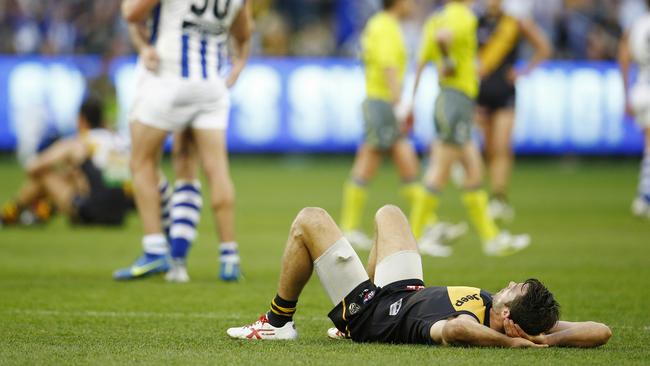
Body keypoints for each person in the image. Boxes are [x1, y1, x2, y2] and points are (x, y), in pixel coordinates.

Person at [226, 205, 612, 348]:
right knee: (388, 214)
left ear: (508, 319)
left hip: (373, 314)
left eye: (515, 291)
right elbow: (601, 330)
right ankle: (345, 312)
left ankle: (278, 322)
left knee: (309, 220)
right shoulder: (527, 323)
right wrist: (544, 338)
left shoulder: (470, 325)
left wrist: (512, 345)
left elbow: (457, 331)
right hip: (404, 290)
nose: (509, 284)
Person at [113, 0, 252, 281]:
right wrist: (238, 65)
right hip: (211, 86)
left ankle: (154, 248)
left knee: (141, 162)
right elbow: (244, 32)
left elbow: (131, 12)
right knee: (215, 170)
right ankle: (229, 258)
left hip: (169, 80)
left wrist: (143, 46)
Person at [408, 0, 529, 257]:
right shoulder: (463, 16)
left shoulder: (435, 18)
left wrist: (410, 102)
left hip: (447, 99)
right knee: (439, 172)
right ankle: (414, 240)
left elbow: (420, 61)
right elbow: (443, 39)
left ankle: (492, 239)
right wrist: (450, 59)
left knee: (474, 172)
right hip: (457, 100)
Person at [339, 0, 424, 250]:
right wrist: (400, 104)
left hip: (380, 101)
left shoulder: (380, 24)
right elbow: (388, 67)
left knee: (401, 161)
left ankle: (426, 222)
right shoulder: (386, 26)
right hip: (383, 102)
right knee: (374, 162)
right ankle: (350, 227)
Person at [0, 96, 132, 227]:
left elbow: (32, 167)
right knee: (77, 175)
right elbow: (116, 179)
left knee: (45, 175)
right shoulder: (116, 141)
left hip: (92, 211)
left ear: (81, 119)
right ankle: (39, 212)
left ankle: (9, 214)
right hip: (119, 214)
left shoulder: (78, 142)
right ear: (102, 120)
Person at [475, 0, 552, 222]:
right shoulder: (475, 21)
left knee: (501, 145)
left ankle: (499, 197)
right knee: (488, 148)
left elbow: (544, 47)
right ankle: (490, 197)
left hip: (505, 92)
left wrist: (524, 71)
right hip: (481, 92)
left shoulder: (514, 22)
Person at [619, 0, 650, 219]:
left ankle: (644, 194)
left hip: (641, 88)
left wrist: (626, 92)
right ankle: (645, 196)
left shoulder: (637, 24)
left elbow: (623, 55)